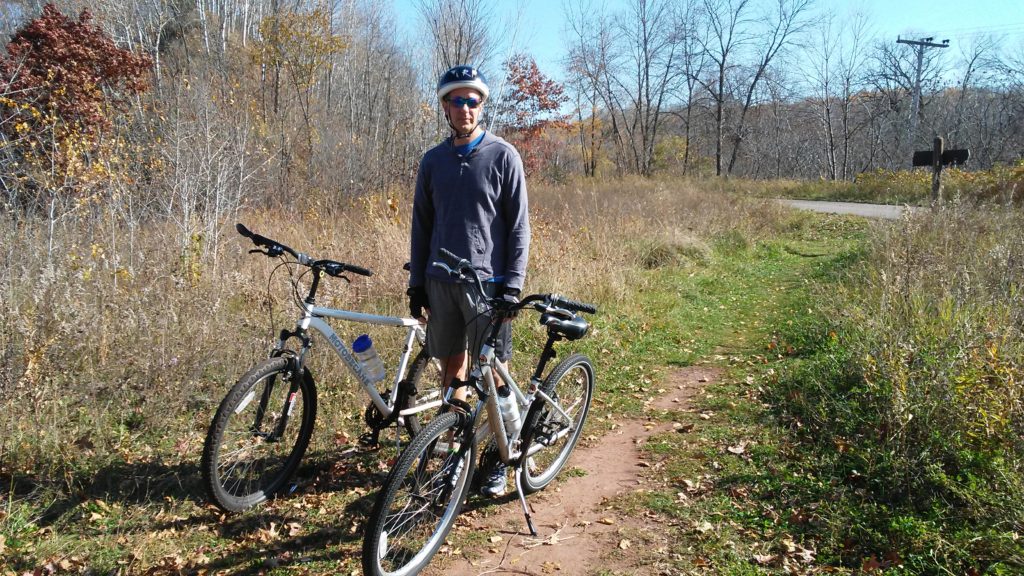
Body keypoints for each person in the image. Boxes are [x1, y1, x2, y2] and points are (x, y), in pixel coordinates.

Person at [407, 65, 530, 497]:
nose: (465, 108)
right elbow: (422, 224)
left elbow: (518, 228)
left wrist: (512, 285)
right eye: (456, 100)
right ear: (444, 106)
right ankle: (454, 456)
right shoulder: (433, 161)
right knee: (452, 375)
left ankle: (504, 455)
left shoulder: (502, 155)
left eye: (472, 99)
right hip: (440, 283)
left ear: (482, 104)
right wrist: (417, 283)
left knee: (494, 375)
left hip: (488, 286)